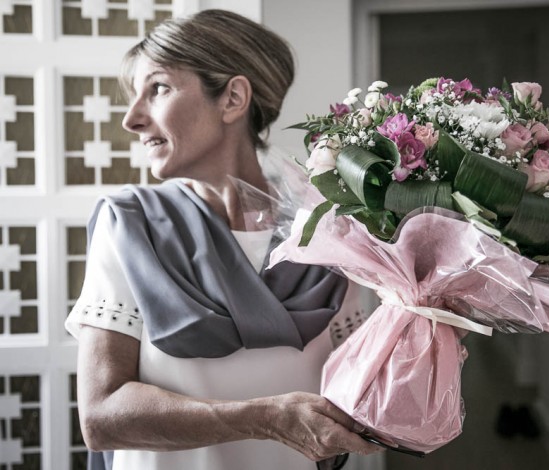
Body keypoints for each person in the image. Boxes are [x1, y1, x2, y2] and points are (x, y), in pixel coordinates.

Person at [64, 10, 381, 470]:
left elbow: (357, 399)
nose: (132, 118)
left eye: (158, 89)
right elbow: (102, 416)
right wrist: (262, 418)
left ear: (232, 98)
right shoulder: (130, 226)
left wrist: (426, 322)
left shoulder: (327, 231)